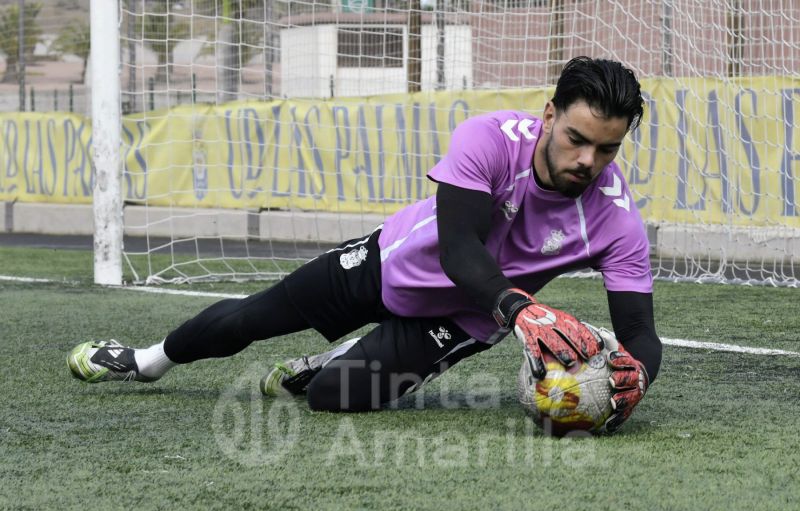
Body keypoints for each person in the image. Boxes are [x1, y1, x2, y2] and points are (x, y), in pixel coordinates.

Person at [68, 56, 661, 433]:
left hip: (465, 318)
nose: (587, 160)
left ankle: (323, 365)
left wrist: (631, 380)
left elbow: (639, 334)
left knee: (333, 398)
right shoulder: (489, 140)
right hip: (390, 265)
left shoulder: (616, 221)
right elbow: (459, 249)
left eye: (606, 149)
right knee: (253, 317)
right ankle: (144, 361)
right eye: (577, 139)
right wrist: (521, 308)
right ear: (549, 115)